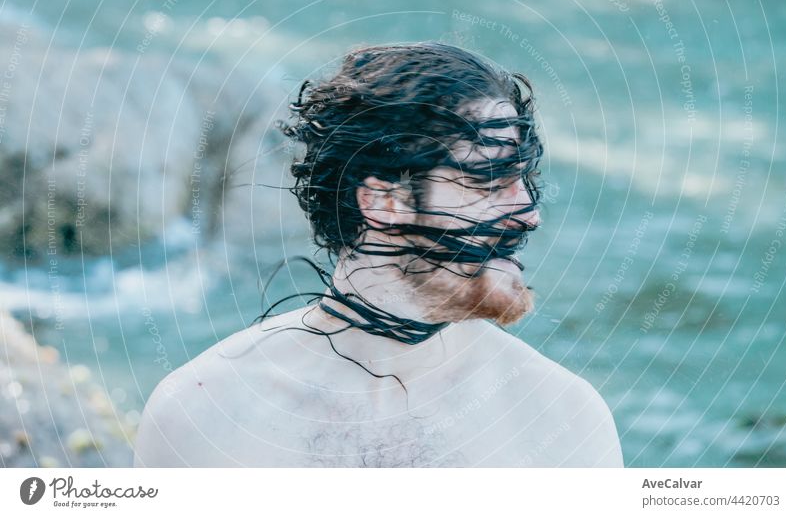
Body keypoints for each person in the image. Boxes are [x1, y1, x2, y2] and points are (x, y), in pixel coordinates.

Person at [133, 42, 623, 467]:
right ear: (384, 200)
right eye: (486, 179)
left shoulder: (562, 418)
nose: (528, 213)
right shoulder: (204, 413)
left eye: (524, 180)